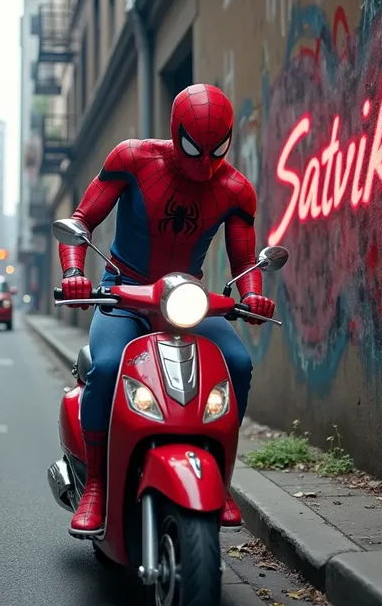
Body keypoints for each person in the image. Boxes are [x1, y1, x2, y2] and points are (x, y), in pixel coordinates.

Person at [59, 83, 275, 538]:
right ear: (176, 132)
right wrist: (75, 270)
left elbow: (244, 263)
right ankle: (96, 483)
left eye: (217, 149)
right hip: (124, 291)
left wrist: (252, 294)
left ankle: (221, 478)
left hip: (184, 300)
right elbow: (82, 221)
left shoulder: (236, 189)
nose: (205, 162)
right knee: (107, 365)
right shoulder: (133, 158)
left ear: (229, 138)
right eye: (195, 148)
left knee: (236, 363)